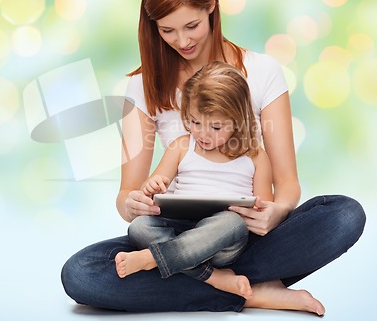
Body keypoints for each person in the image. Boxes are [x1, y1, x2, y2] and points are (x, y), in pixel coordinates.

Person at [61, 0, 366, 315]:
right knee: (80, 274)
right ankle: (246, 289)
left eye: (191, 25)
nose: (183, 40)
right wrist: (133, 203)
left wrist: (276, 211)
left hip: (241, 232)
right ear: (152, 27)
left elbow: (286, 183)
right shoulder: (141, 86)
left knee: (344, 214)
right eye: (167, 30)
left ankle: (206, 279)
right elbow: (127, 196)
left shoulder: (262, 71)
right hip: (171, 231)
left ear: (212, 6)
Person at [115, 61, 273, 301]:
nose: (203, 134)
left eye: (216, 126)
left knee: (232, 223)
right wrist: (152, 187)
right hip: (181, 231)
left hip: (223, 243)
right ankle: (214, 278)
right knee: (139, 227)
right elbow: (153, 188)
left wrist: (257, 210)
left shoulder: (256, 156)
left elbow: (265, 212)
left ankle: (151, 259)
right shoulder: (181, 146)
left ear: (238, 120)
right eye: (195, 122)